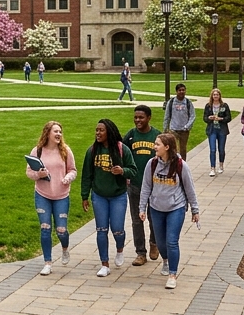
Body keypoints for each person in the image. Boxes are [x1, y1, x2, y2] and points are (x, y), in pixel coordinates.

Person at [138, 132, 200, 290]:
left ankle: (173, 274)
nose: (154, 147)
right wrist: (142, 207)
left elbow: (189, 188)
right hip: (156, 208)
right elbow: (146, 187)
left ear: (167, 147)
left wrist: (195, 209)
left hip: (176, 208)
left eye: (157, 144)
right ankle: (165, 260)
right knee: (160, 242)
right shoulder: (151, 164)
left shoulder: (180, 165)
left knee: (172, 241)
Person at [79, 118, 137, 277]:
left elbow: (133, 170)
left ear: (109, 132)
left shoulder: (122, 149)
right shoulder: (92, 151)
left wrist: (122, 171)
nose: (98, 133)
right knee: (101, 229)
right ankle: (104, 263)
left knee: (117, 229)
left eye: (101, 130)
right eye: (96, 130)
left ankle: (120, 249)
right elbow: (86, 175)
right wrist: (85, 195)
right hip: (99, 196)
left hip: (118, 195)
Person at [27, 120, 77, 276]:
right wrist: (38, 175)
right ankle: (47, 262)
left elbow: (73, 170)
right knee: (45, 228)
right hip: (42, 194)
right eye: (55, 131)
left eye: (60, 132)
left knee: (61, 230)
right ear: (47, 133)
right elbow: (29, 172)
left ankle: (64, 248)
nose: (59, 134)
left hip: (61, 195)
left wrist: (68, 178)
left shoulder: (65, 151)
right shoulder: (38, 151)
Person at [123, 106, 160, 266]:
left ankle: (154, 242)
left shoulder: (156, 136)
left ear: (149, 118)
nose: (138, 120)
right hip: (135, 185)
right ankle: (140, 252)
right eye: (136, 117)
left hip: (154, 187)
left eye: (141, 117)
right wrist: (126, 175)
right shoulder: (130, 136)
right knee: (137, 220)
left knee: (154, 219)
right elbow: (122, 154)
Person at [162, 84, 195, 160]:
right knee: (173, 149)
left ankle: (182, 166)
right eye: (180, 90)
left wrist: (187, 126)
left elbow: (192, 116)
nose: (181, 92)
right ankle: (173, 164)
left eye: (183, 90)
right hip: (173, 129)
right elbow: (167, 116)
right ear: (176, 91)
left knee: (183, 150)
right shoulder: (171, 102)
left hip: (184, 131)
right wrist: (165, 129)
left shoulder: (188, 102)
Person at [203, 88, 231, 176]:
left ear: (219, 96)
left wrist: (221, 119)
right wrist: (209, 118)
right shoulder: (208, 106)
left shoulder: (224, 106)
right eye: (214, 95)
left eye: (217, 95)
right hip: (212, 129)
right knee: (212, 149)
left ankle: (221, 165)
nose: (215, 96)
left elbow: (228, 118)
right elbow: (204, 118)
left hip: (222, 129)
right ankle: (212, 168)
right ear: (212, 96)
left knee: (221, 149)